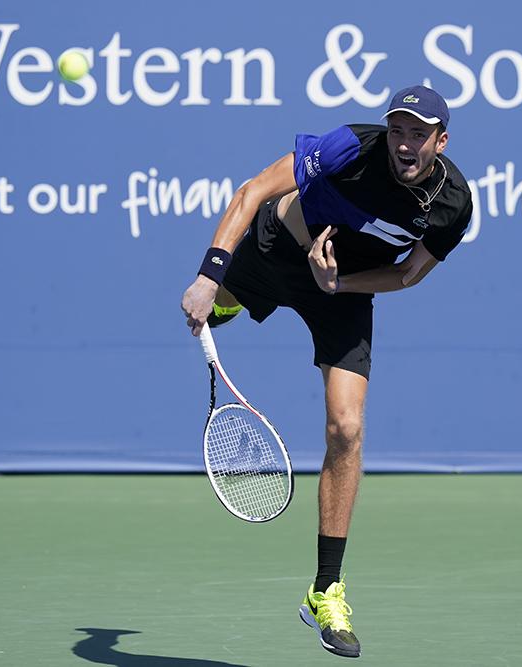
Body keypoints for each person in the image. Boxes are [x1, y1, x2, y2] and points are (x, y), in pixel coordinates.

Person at [180, 85, 473, 659]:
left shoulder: (452, 204)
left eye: (418, 134)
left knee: (347, 428)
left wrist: (339, 284)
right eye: (397, 129)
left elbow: (408, 274)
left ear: (440, 142)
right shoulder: (351, 147)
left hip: (341, 290)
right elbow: (253, 190)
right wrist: (209, 274)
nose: (404, 143)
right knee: (213, 303)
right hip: (275, 250)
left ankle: (325, 591)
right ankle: (231, 300)